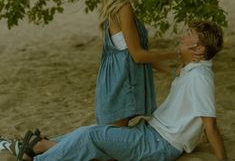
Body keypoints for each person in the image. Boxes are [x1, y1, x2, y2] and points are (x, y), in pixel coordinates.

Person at [3, 20, 226, 160]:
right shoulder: (191, 70)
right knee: (95, 133)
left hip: (157, 144)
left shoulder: (200, 78)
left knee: (90, 136)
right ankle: (38, 146)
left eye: (189, 35)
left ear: (198, 48)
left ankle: (39, 153)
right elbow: (196, 115)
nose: (182, 36)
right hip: (150, 134)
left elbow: (210, 125)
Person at [96, 0, 200, 126]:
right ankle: (44, 145)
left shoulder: (115, 8)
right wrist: (177, 52)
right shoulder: (124, 8)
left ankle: (42, 144)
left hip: (117, 82)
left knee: (105, 139)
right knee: (105, 142)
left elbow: (139, 54)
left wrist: (173, 73)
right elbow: (138, 56)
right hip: (121, 87)